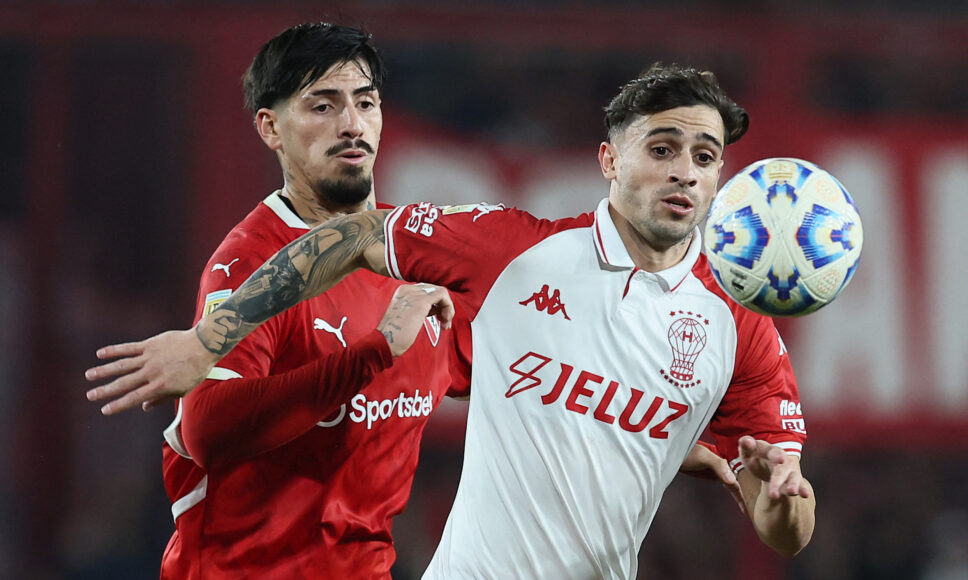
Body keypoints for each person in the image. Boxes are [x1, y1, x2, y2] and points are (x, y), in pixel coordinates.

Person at [85, 25, 742, 579]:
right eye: (322, 105)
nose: (351, 124)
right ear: (270, 128)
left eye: (365, 102)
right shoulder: (252, 260)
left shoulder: (416, 257)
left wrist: (682, 442)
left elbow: (533, 380)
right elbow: (208, 430)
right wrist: (366, 358)